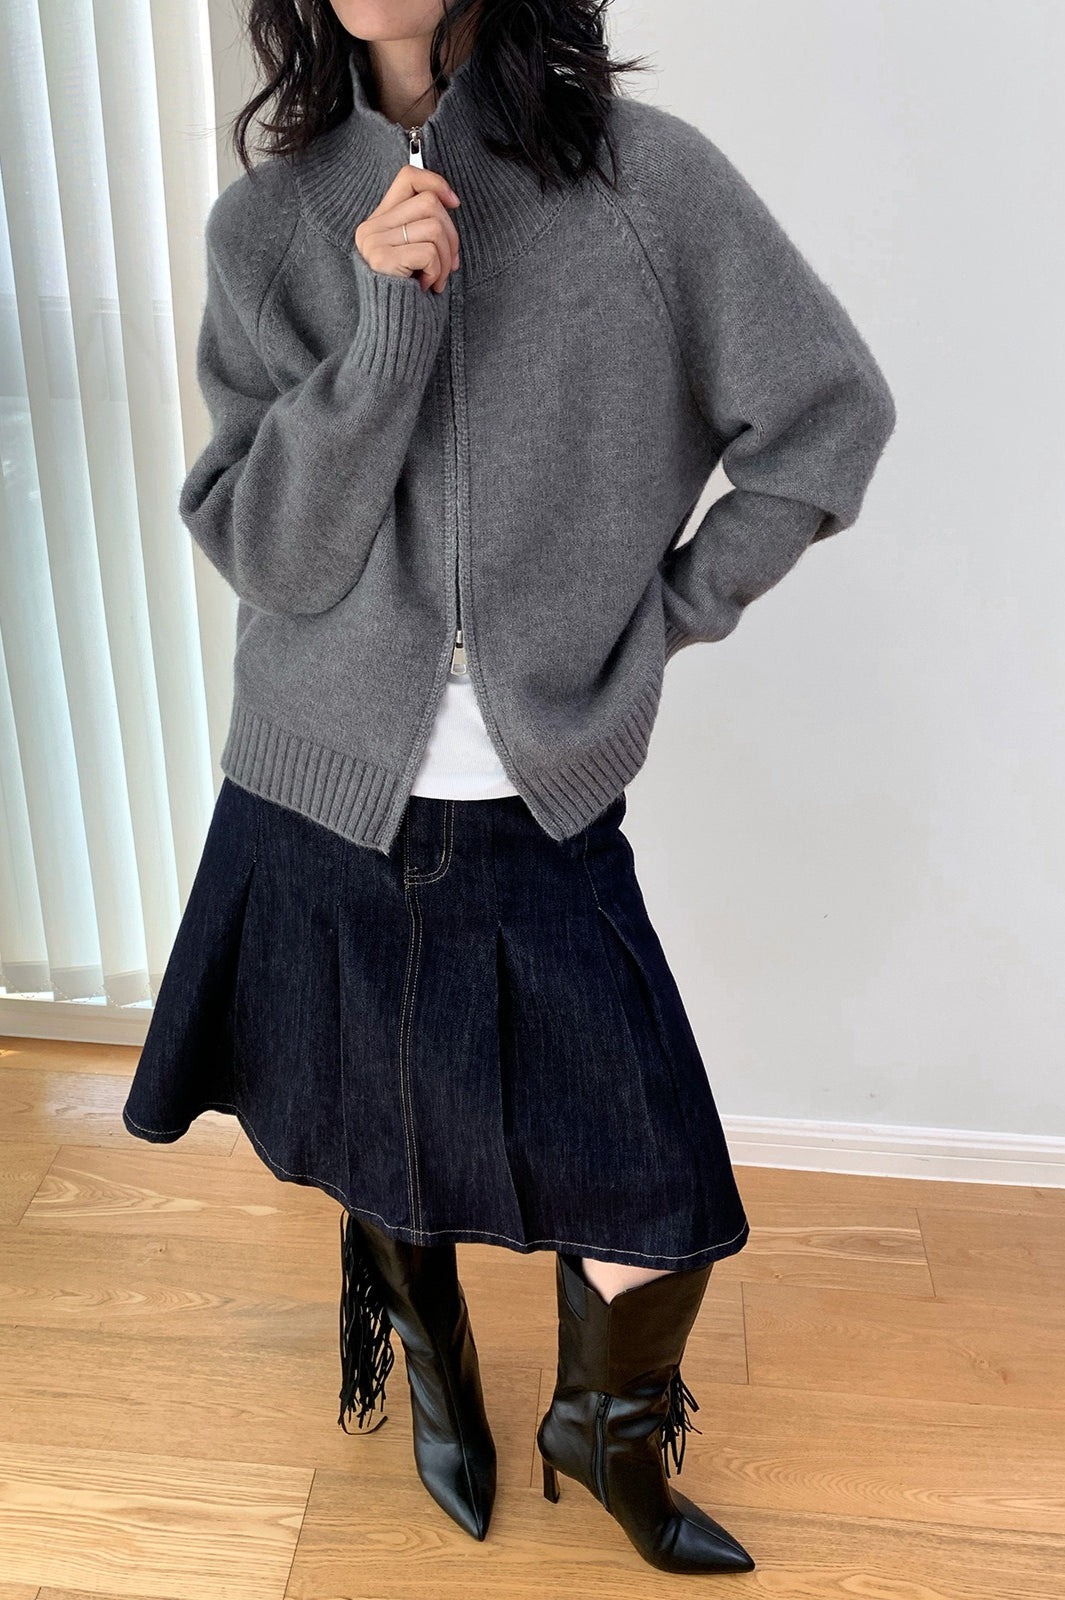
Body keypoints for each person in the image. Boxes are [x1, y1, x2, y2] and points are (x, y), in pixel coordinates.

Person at [122, 0, 896, 1576]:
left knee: (647, 1171)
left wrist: (659, 616)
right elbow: (271, 555)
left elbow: (826, 417)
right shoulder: (271, 224)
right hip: (313, 790)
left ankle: (601, 1432)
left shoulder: (646, 185)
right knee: (374, 1122)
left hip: (537, 792)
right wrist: (381, 325)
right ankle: (429, 1363)